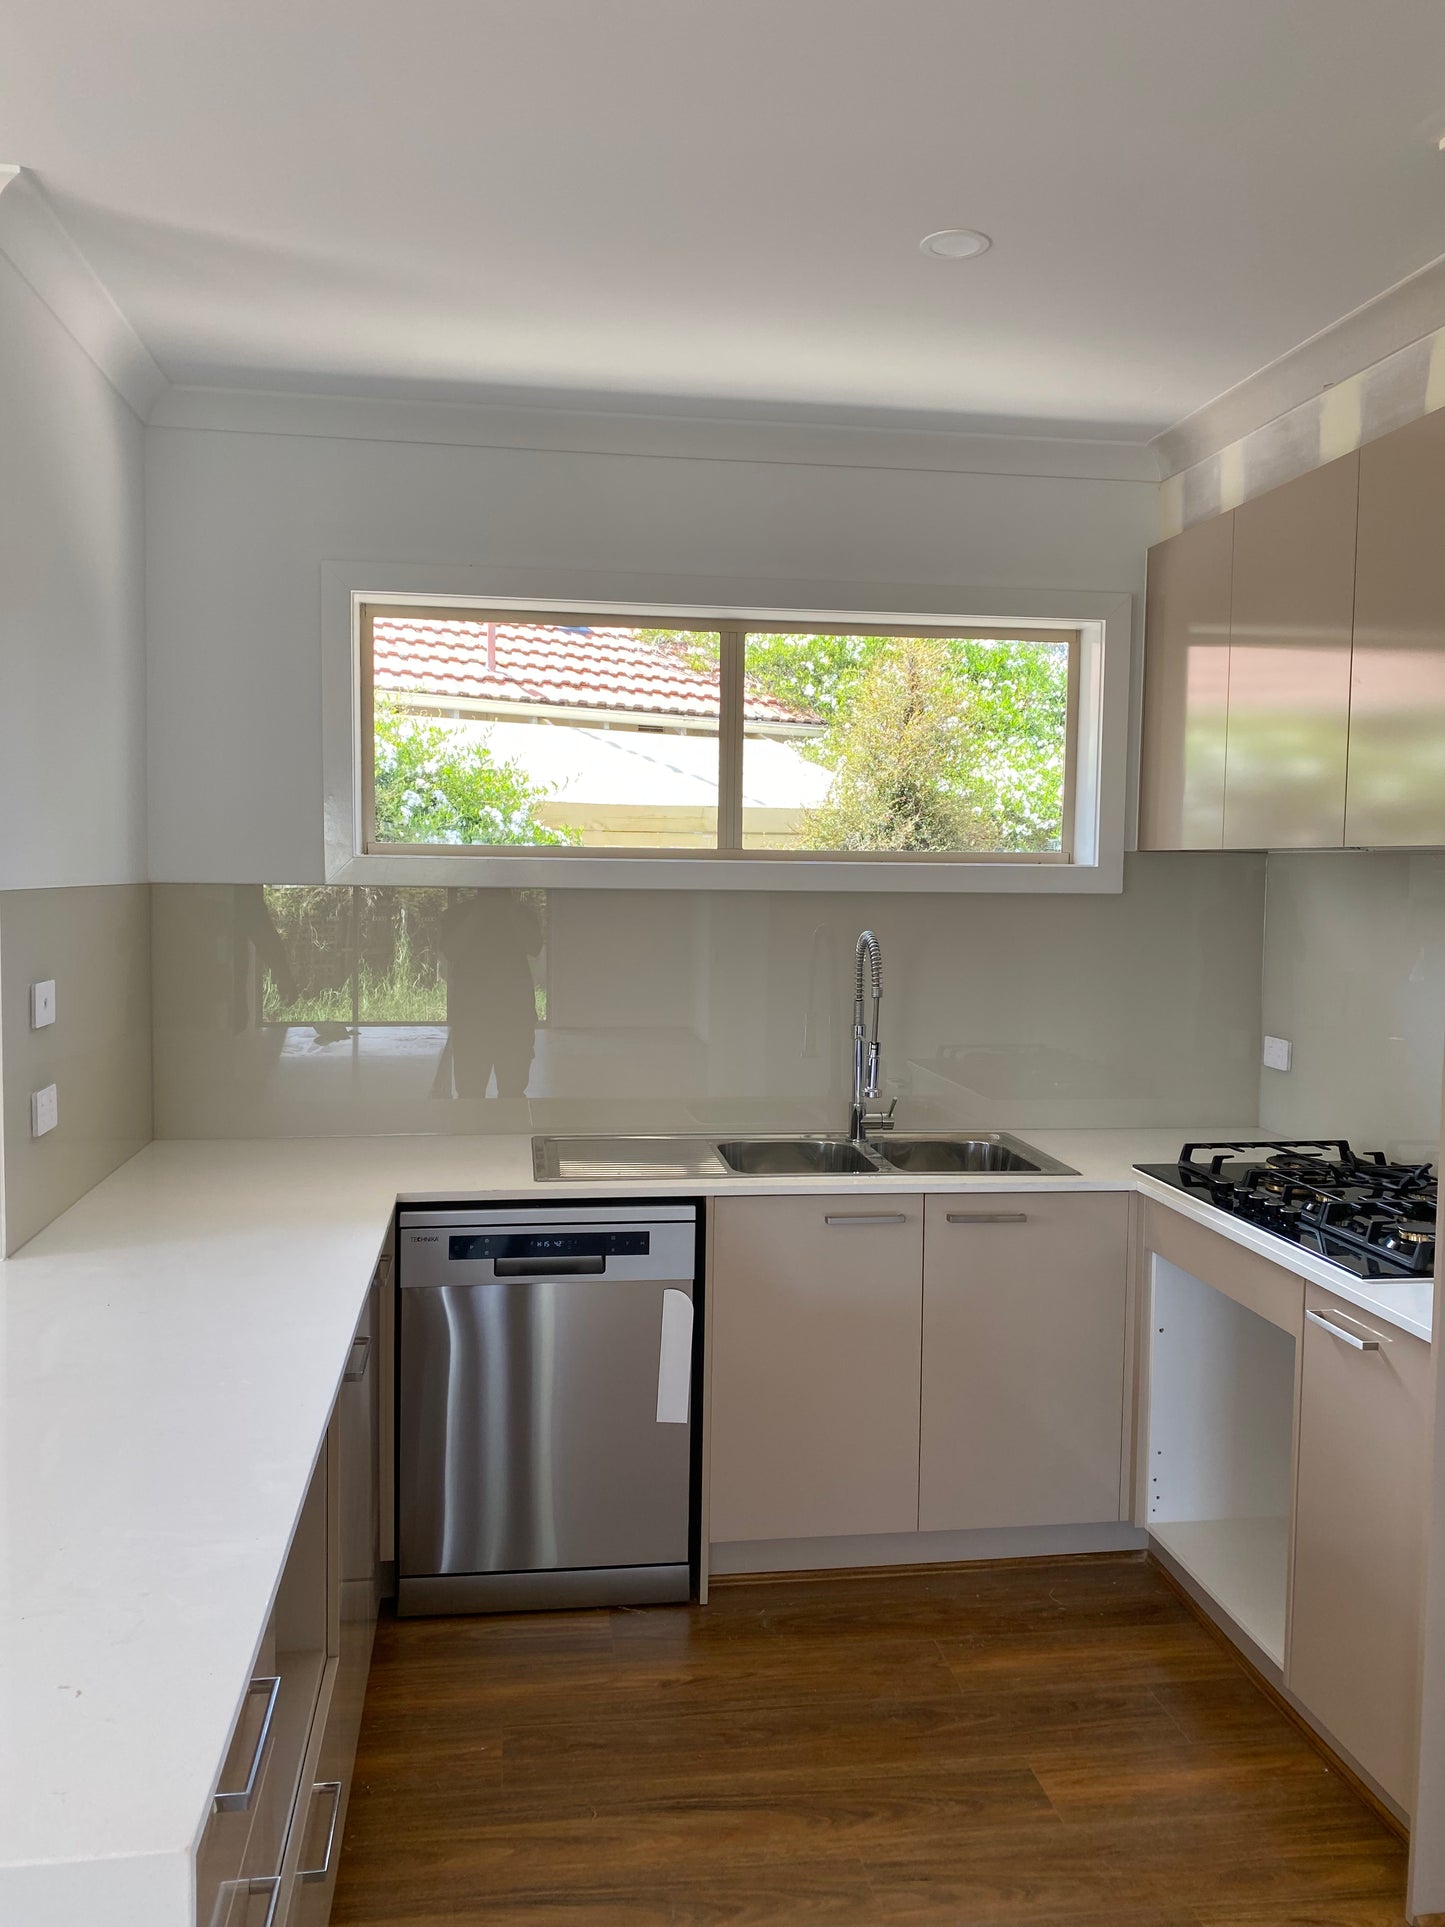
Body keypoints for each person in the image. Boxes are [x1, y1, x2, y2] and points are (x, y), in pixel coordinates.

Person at [433, 889, 543, 1100]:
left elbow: (534, 946)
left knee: (512, 1091)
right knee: (469, 1093)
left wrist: (509, 911)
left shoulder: (520, 914)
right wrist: (477, 913)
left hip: (513, 1016)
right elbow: (450, 950)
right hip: (474, 1017)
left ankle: (510, 1132)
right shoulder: (458, 914)